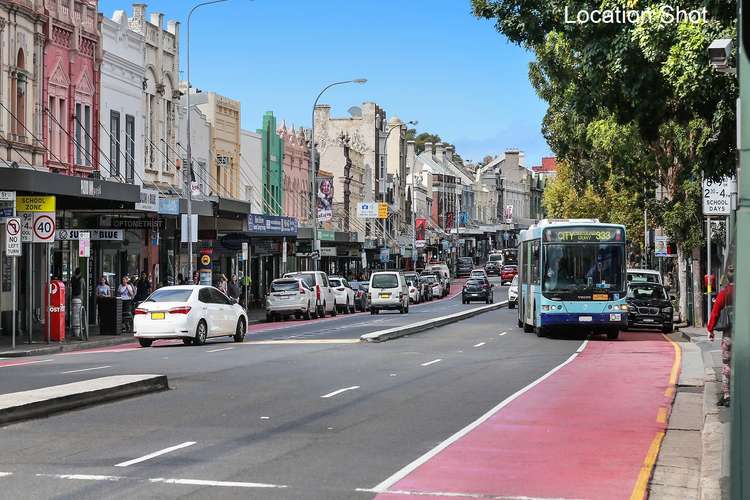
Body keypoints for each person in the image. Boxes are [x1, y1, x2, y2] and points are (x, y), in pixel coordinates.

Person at [708, 266, 734, 407]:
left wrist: (710, 330)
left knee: (726, 364)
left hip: (728, 334)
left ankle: (727, 395)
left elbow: (715, 312)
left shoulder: (724, 293)